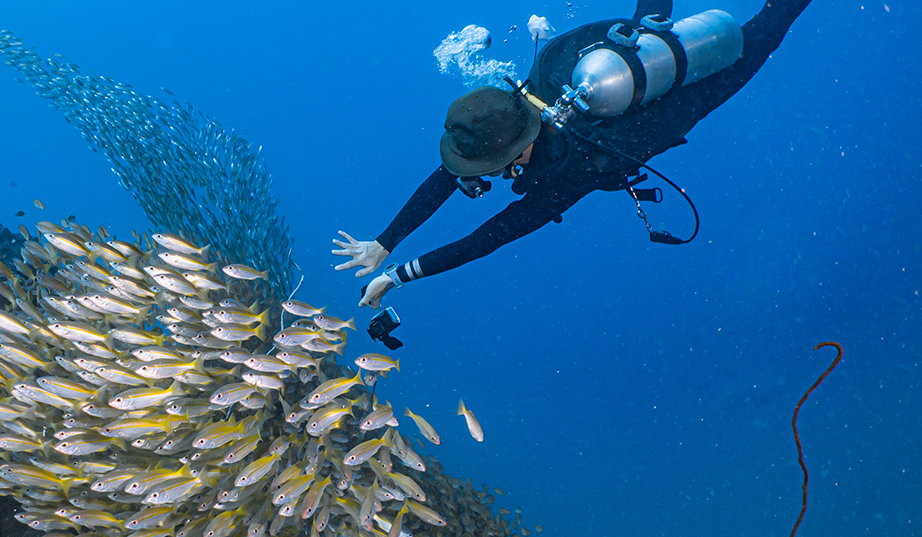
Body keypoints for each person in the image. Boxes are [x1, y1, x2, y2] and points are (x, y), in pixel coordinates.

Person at [334, 0, 813, 308]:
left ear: (517, 151)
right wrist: (386, 243)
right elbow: (447, 175)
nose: (479, 173)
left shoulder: (574, 165)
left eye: (486, 167)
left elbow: (493, 235)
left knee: (761, 37)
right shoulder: (519, 101)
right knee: (651, 21)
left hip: (680, 102)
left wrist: (402, 276)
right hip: (624, 48)